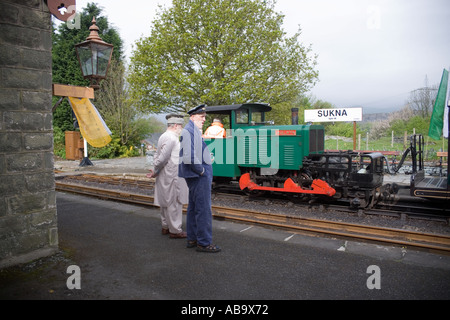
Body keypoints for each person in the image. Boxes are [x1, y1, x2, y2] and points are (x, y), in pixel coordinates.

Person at [178, 104, 221, 253]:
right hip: (198, 176)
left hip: (195, 176)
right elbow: (189, 156)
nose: (204, 119)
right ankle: (203, 242)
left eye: (204, 117)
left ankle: (192, 238)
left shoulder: (191, 130)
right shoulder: (189, 131)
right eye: (201, 117)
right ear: (192, 116)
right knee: (203, 209)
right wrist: (202, 170)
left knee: (194, 208)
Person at [148, 114, 189, 239]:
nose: (181, 128)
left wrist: (156, 170)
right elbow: (162, 158)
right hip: (172, 175)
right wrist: (156, 166)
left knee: (165, 201)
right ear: (175, 125)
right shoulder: (172, 138)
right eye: (180, 126)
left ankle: (165, 227)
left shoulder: (163, 136)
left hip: (165, 174)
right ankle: (175, 230)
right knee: (174, 202)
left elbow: (157, 154)